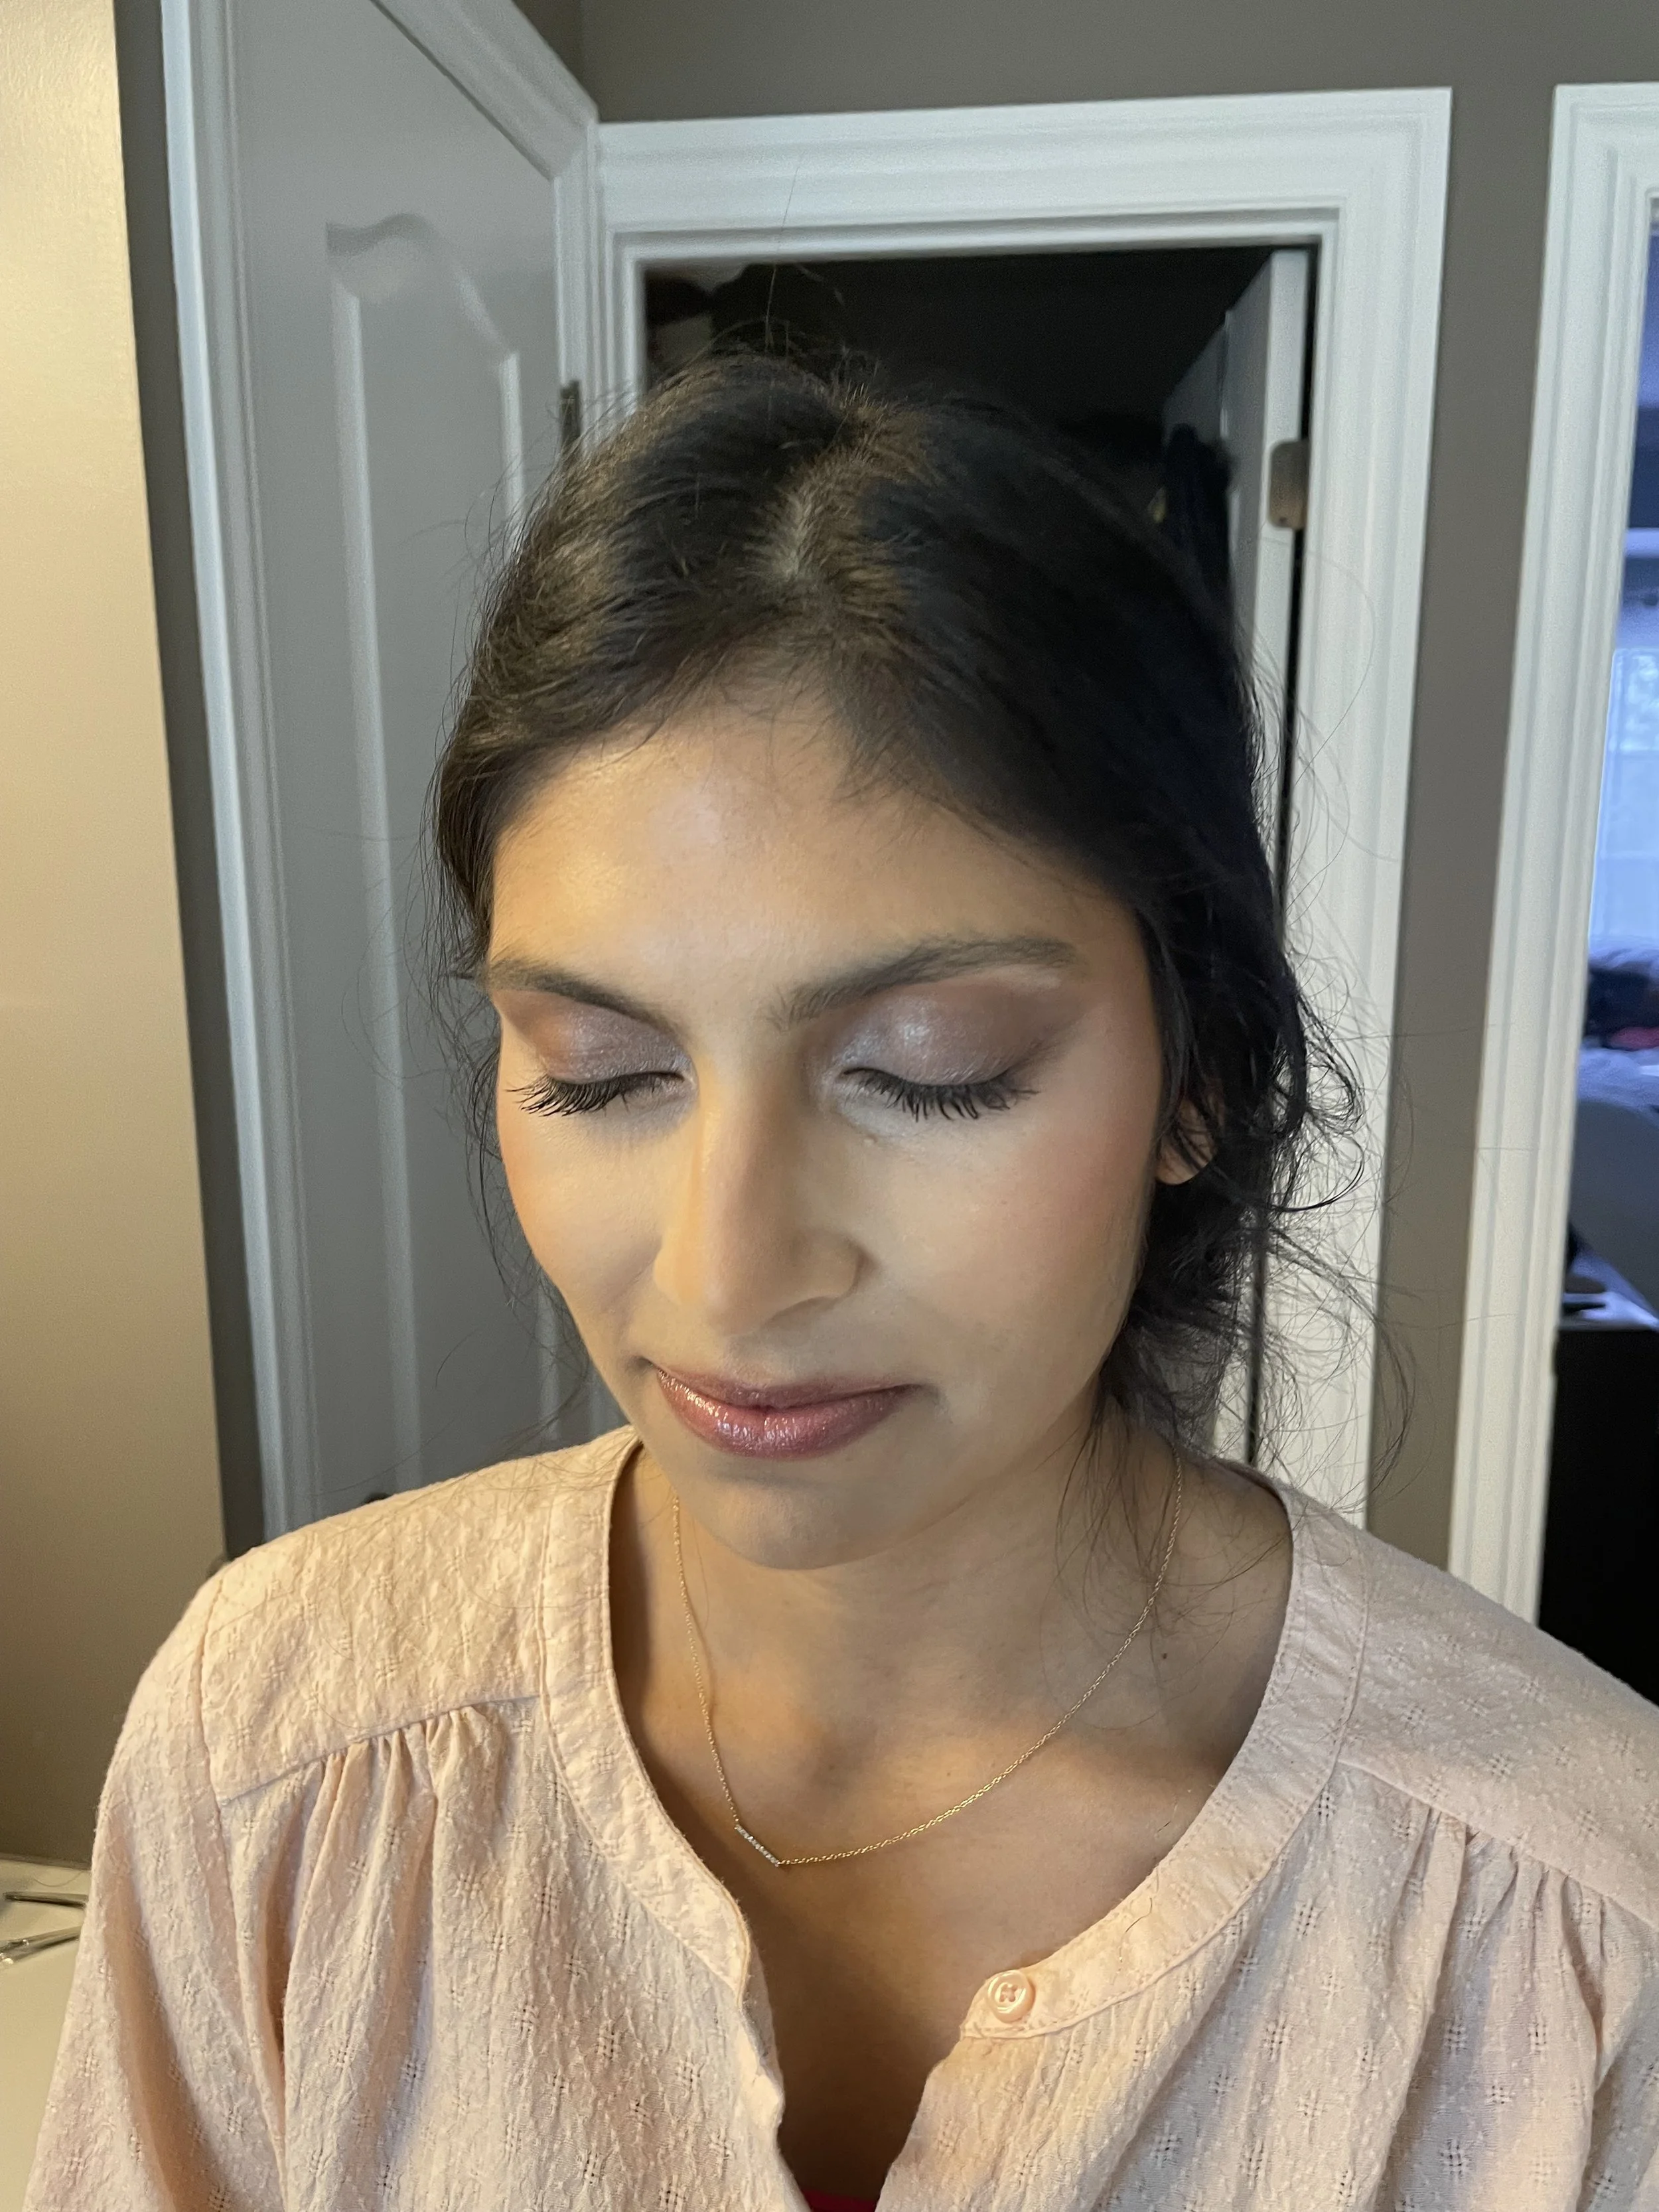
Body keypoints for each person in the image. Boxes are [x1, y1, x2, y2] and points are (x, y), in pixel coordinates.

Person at [27, 356, 1659, 2212]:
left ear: (1193, 1075)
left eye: (929, 1064)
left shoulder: (1572, 1938)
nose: (731, 1270)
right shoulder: (280, 1748)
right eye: (601, 1067)